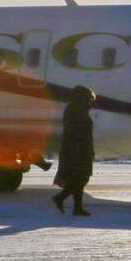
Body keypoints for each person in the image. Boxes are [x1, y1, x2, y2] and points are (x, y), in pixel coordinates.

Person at [52, 86, 96, 216]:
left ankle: (77, 208)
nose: (90, 101)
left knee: (79, 178)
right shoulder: (77, 111)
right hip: (77, 149)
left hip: (76, 148)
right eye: (89, 98)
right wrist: (81, 150)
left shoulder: (74, 109)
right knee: (81, 178)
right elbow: (78, 133)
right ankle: (61, 198)